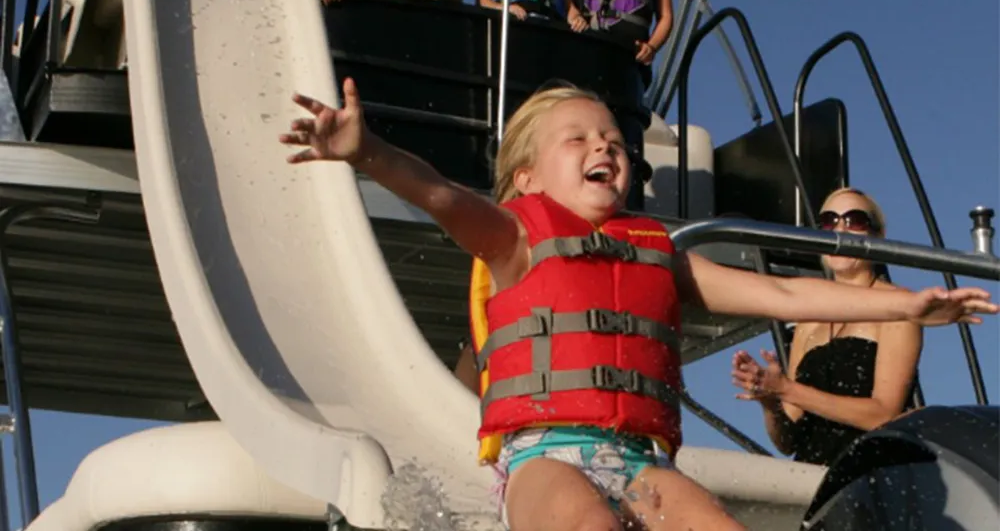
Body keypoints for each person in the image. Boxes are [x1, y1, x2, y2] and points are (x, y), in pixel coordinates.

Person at [279, 82, 997, 531]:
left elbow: (781, 292)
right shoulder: (515, 239)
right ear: (527, 176)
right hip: (543, 461)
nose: (605, 147)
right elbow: (437, 191)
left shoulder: (659, 252)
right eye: (581, 139)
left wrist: (910, 305)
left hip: (641, 459)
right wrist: (367, 151)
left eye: (615, 142)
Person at [731, 188, 930, 467]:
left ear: (877, 235)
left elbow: (883, 415)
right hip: (813, 482)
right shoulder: (808, 321)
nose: (841, 229)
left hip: (874, 474)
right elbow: (787, 442)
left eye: (855, 220)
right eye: (829, 221)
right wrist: (770, 401)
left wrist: (787, 390)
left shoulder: (899, 308)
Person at [568, 0, 673, 67]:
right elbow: (569, 2)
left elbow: (666, 16)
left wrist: (651, 47)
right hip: (586, 46)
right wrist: (574, 16)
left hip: (629, 57)